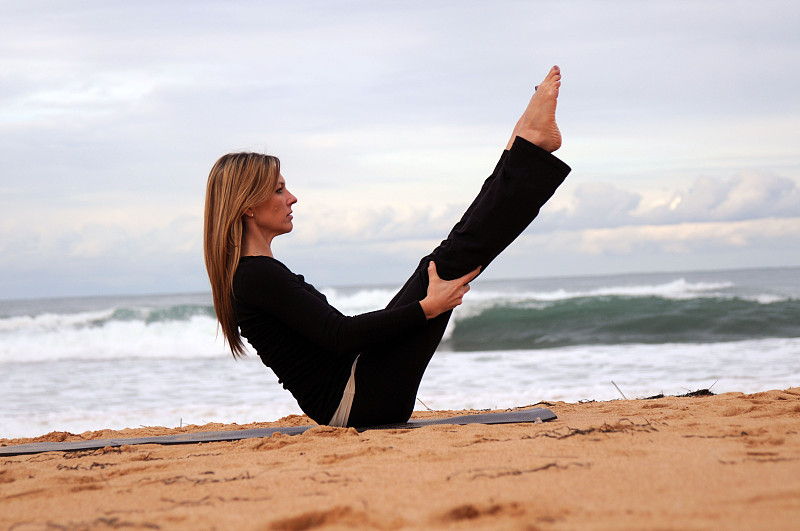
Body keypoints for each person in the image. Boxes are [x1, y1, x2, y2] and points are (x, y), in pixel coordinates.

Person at [204, 66, 571, 428]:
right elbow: (340, 337)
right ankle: (525, 145)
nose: (292, 198)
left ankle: (522, 146)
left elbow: (337, 339)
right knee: (445, 263)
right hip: (358, 400)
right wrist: (428, 308)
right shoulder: (255, 275)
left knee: (444, 259)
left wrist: (425, 308)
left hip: (361, 388)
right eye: (279, 189)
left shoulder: (257, 272)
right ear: (247, 205)